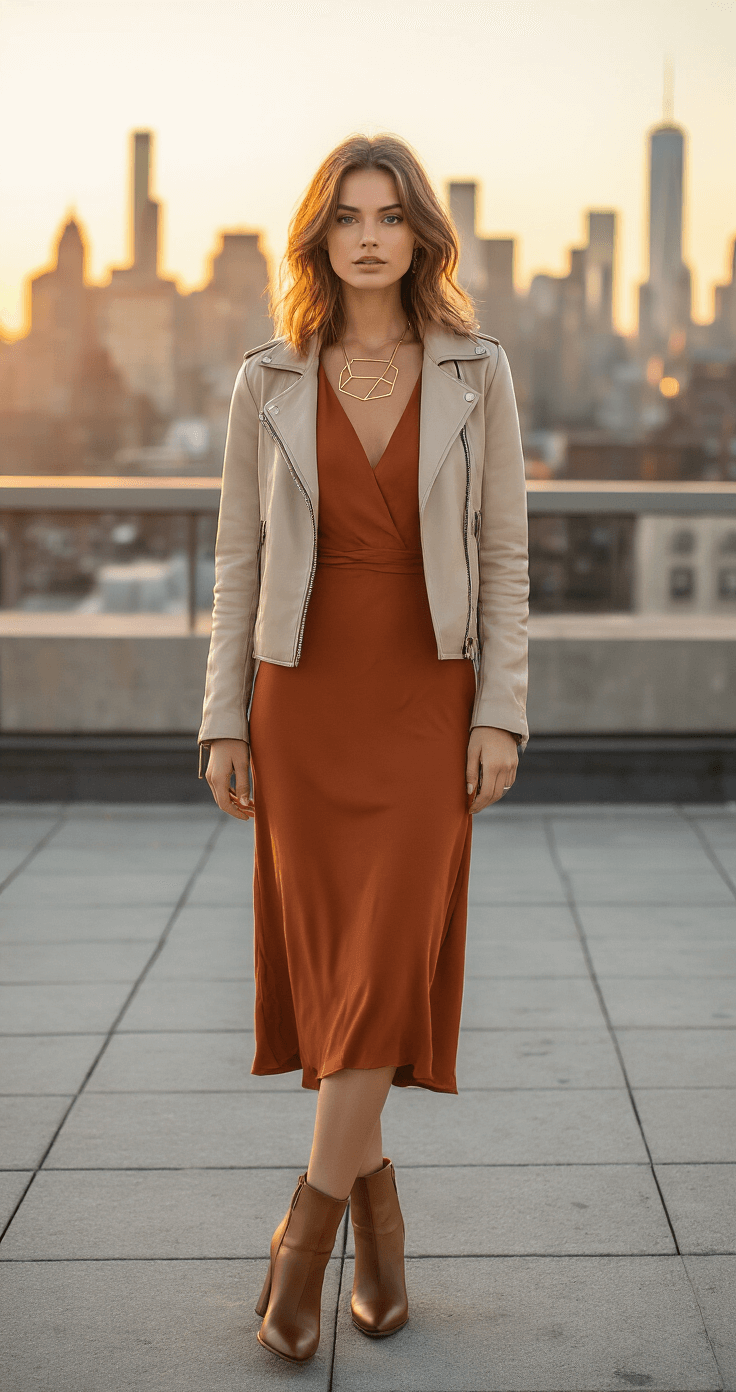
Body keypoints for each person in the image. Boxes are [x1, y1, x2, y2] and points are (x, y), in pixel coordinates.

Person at [198, 132, 529, 1364]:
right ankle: (378, 1233)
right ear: (321, 237)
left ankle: (305, 1235)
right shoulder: (268, 378)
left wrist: (501, 709)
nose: (372, 234)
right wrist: (223, 715)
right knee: (345, 979)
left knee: (385, 965)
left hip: (426, 700)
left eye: (391, 214)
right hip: (302, 701)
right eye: (348, 216)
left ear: (421, 234)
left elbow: (503, 554)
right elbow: (238, 564)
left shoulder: (477, 372)